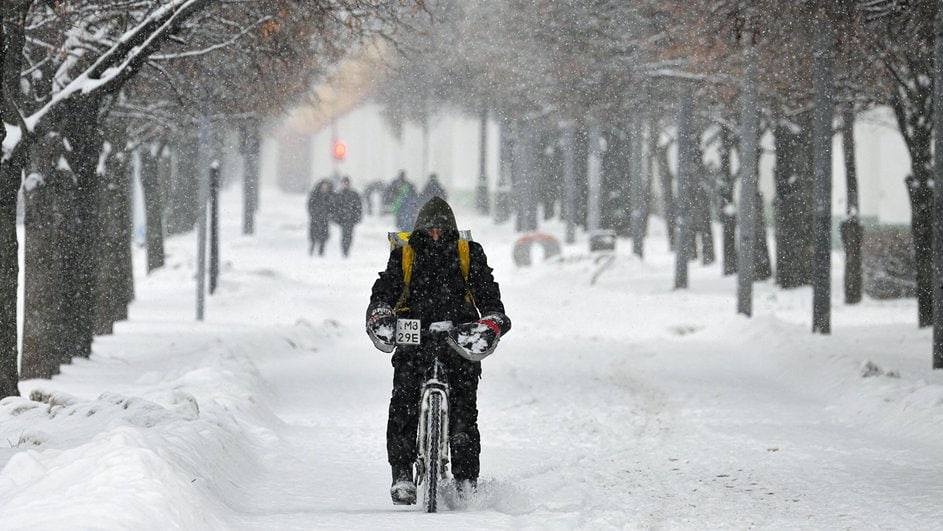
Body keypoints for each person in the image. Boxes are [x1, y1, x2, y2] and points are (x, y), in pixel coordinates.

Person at [365, 197, 511, 505]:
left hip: (458, 337)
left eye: (441, 230)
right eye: (429, 230)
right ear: (420, 230)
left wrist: (493, 318)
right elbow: (386, 288)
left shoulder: (468, 254)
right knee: (403, 400)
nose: (435, 235)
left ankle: (466, 482)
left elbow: (487, 291)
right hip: (413, 334)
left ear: (451, 230)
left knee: (464, 412)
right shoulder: (404, 255)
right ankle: (402, 473)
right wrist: (380, 311)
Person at [333, 176, 363, 257]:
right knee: (344, 235)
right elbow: (335, 207)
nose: (345, 184)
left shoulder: (354, 194)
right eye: (344, 183)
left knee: (349, 235)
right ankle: (344, 250)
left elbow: (358, 207)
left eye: (347, 183)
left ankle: (347, 249)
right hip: (342, 219)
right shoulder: (339, 194)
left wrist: (357, 217)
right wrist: (336, 218)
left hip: (351, 219)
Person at [306, 179, 334, 256]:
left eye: (326, 187)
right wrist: (314, 214)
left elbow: (332, 208)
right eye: (323, 186)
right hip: (315, 219)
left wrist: (329, 215)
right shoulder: (315, 195)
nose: (324, 188)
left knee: (323, 237)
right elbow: (310, 206)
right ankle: (311, 251)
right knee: (313, 237)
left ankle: (321, 252)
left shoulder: (330, 196)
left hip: (325, 220)